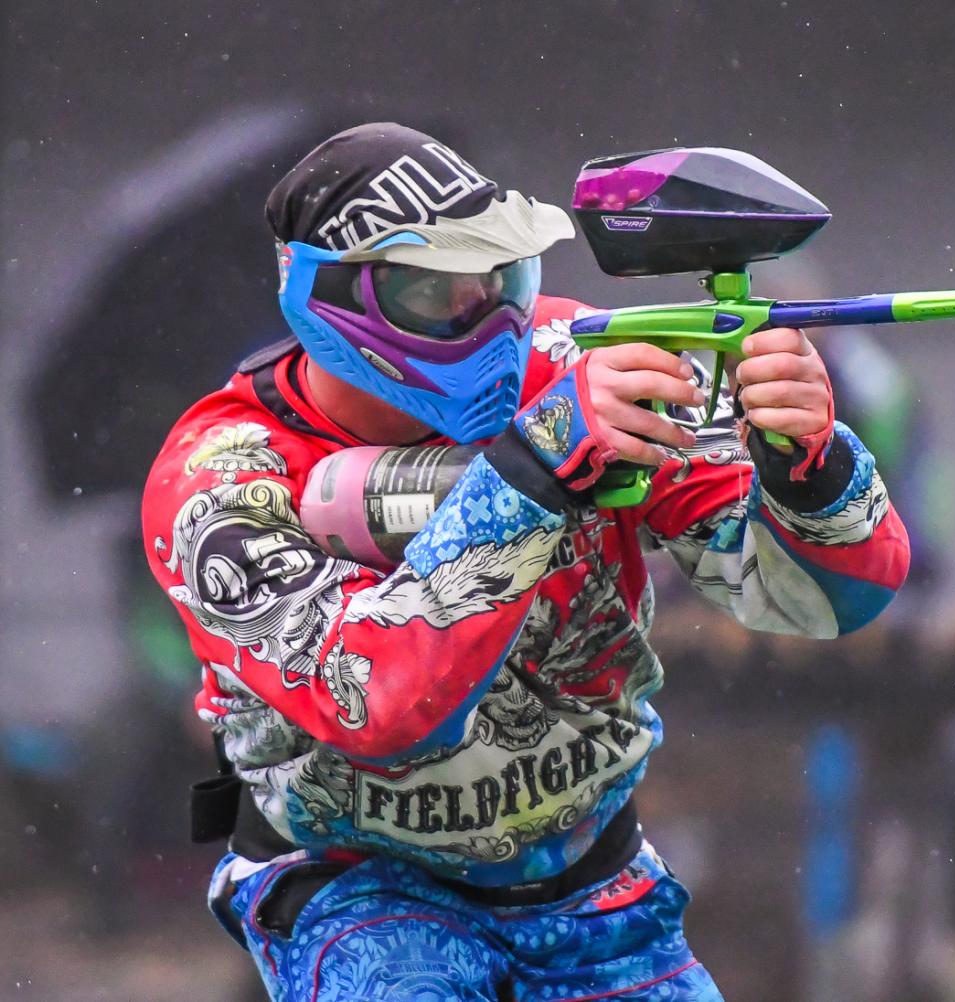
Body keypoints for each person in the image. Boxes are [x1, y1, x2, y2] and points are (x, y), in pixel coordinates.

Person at [141, 123, 910, 1002]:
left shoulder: (576, 362)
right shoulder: (225, 479)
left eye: (501, 278)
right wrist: (536, 468)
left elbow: (823, 600)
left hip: (597, 891)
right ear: (332, 295)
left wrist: (804, 466)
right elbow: (375, 701)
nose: (487, 316)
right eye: (439, 290)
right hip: (357, 889)